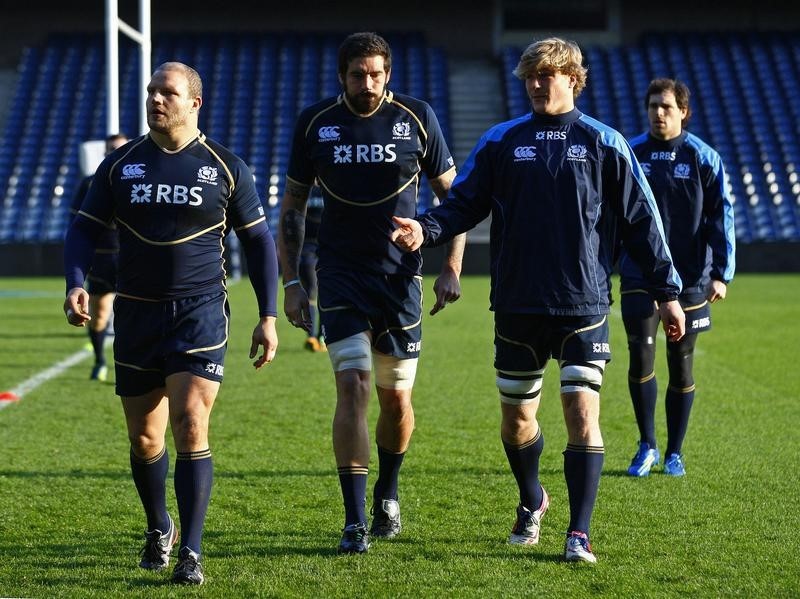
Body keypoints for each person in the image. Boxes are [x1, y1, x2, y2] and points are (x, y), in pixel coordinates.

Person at [391, 37, 685, 563]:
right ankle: (532, 499)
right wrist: (425, 229)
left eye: (545, 76)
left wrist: (667, 293)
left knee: (580, 411)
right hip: (518, 305)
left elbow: (643, 221)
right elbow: (462, 204)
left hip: (584, 304)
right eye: (529, 76)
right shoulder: (502, 141)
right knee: (517, 422)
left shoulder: (605, 143)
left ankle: (579, 533)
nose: (534, 84)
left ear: (573, 79)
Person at [63, 61, 279, 585]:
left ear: (194, 103)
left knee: (190, 421)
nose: (157, 99)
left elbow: (259, 244)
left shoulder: (226, 167)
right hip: (136, 313)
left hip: (199, 312)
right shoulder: (120, 166)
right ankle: (160, 526)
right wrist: (74, 281)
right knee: (144, 438)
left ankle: (193, 552)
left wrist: (268, 315)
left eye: (169, 92)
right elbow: (82, 231)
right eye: (152, 91)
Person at [279, 31, 466, 554]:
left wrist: (450, 264)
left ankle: (388, 488)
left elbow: (456, 198)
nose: (369, 84)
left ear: (389, 74)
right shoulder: (316, 123)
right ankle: (355, 517)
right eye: (358, 74)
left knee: (396, 400)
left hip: (401, 280)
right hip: (339, 275)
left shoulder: (417, 117)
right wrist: (293, 283)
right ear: (342, 76)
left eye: (377, 74)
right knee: (353, 387)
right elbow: (291, 208)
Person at [622, 78, 735, 478]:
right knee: (641, 355)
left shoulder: (704, 158)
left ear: (683, 112)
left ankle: (674, 452)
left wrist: (721, 274)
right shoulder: (632, 154)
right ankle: (646, 445)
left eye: (666, 106)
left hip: (689, 280)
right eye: (653, 105)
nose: (658, 113)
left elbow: (720, 217)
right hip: (639, 275)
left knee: (682, 365)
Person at [68, 133, 129, 381]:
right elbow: (76, 224)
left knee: (135, 316)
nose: (115, 153)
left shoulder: (140, 182)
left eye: (120, 149)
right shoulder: (90, 183)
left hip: (132, 259)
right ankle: (99, 361)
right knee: (100, 313)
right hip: (103, 260)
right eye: (111, 149)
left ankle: (132, 365)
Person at [299, 182, 326, 352]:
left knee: (326, 291)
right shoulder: (304, 190)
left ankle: (322, 336)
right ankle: (311, 336)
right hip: (307, 247)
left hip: (328, 246)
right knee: (310, 290)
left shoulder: (332, 188)